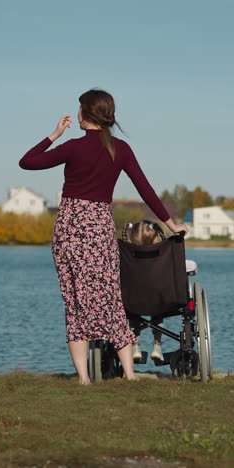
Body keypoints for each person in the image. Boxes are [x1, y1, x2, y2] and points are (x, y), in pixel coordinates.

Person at [19, 89, 188, 384]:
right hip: (99, 228)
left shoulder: (72, 147)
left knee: (75, 301)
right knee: (110, 297)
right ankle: (131, 374)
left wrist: (54, 134)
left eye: (79, 109)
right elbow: (145, 188)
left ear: (86, 114)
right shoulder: (120, 149)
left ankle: (84, 378)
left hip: (71, 228)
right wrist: (171, 225)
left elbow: (28, 162)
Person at [124, 220, 195, 362]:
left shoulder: (126, 257)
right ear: (156, 236)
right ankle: (157, 345)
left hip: (132, 300)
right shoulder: (165, 256)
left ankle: (135, 345)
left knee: (132, 310)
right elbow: (189, 267)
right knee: (158, 304)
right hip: (160, 300)